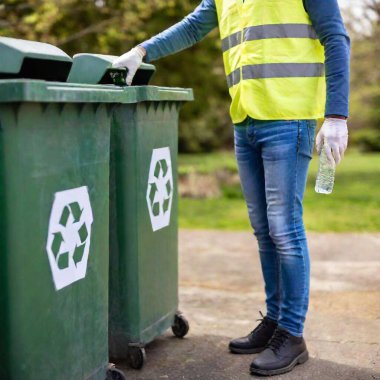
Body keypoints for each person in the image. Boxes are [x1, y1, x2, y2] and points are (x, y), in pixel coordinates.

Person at [113, 0, 350, 376]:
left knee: (285, 230)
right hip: (246, 120)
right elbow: (192, 27)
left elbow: (336, 39)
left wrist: (337, 114)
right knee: (264, 231)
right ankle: (274, 321)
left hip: (289, 118)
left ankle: (292, 334)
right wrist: (142, 51)